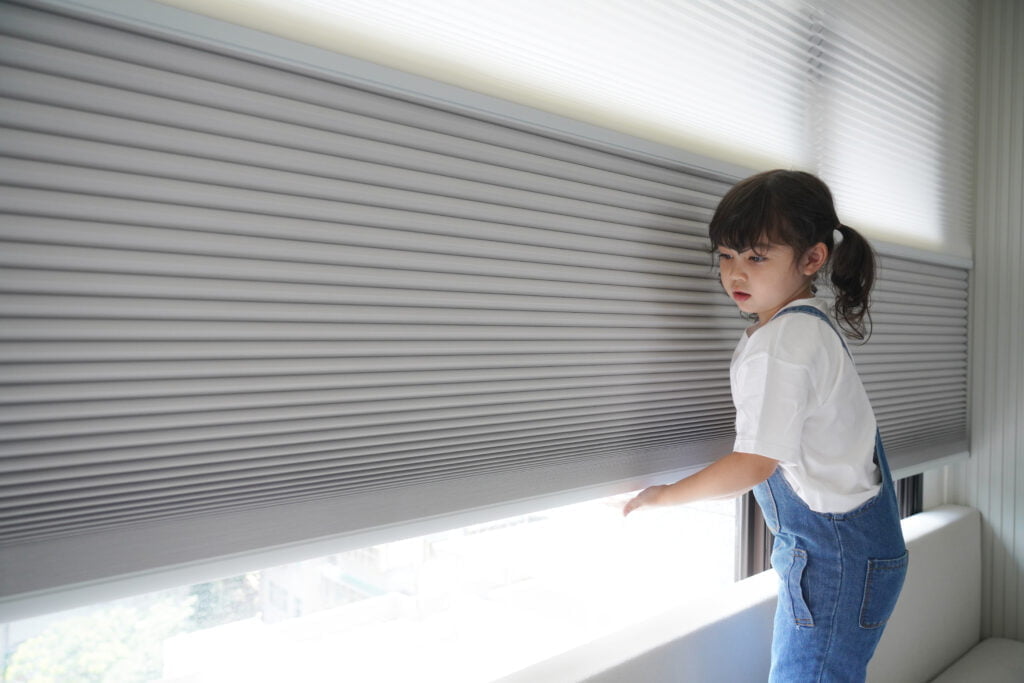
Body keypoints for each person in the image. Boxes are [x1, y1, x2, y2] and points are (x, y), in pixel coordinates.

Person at [623, 170, 908, 682]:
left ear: (812, 258)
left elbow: (754, 463)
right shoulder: (801, 326)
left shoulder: (784, 343)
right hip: (850, 550)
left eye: (757, 257)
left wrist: (662, 496)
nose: (736, 273)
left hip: (835, 558)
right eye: (726, 256)